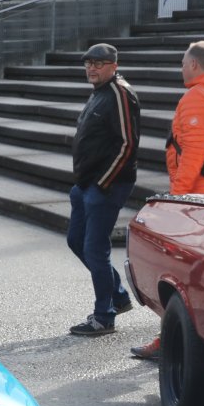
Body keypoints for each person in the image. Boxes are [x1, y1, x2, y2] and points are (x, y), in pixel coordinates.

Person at [131, 41, 204, 360]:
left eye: (183, 62)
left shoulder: (197, 96)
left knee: (178, 273)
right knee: (199, 275)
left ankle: (173, 338)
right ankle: (189, 337)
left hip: (196, 199)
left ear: (194, 64)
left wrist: (177, 199)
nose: (181, 68)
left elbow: (193, 153)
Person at [67, 42, 140, 338]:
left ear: (113, 66)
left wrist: (103, 183)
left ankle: (103, 317)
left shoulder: (120, 93)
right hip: (86, 184)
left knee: (95, 249)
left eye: (98, 63)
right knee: (76, 240)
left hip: (106, 186)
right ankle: (118, 296)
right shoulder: (99, 92)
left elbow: (128, 144)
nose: (91, 68)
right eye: (88, 63)